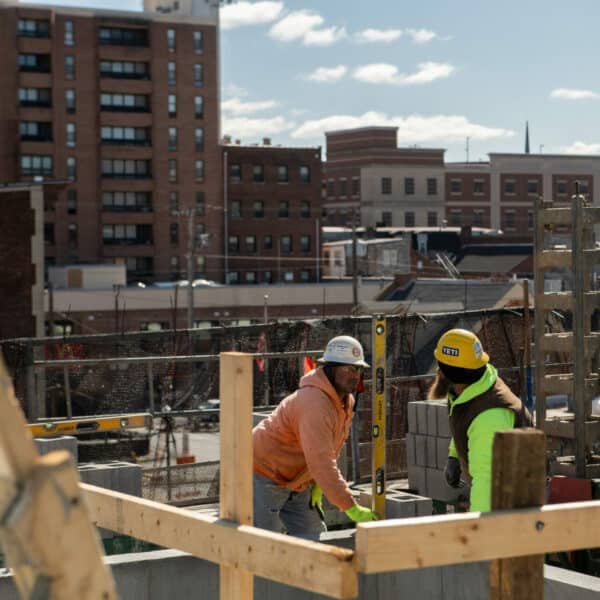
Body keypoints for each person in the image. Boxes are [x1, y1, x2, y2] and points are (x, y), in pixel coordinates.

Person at [253, 335, 379, 538]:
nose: (355, 375)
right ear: (330, 368)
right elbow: (321, 461)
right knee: (265, 544)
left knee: (313, 536)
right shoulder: (314, 404)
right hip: (263, 472)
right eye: (348, 368)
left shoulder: (345, 401)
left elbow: (331, 447)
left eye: (358, 369)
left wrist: (317, 483)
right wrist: (350, 506)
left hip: (296, 480)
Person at [428, 328, 533, 513]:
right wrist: (454, 455)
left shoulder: (489, 417)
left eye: (440, 366)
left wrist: (479, 529)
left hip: (512, 506)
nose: (437, 371)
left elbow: (487, 482)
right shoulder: (474, 387)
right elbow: (466, 420)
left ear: (449, 373)